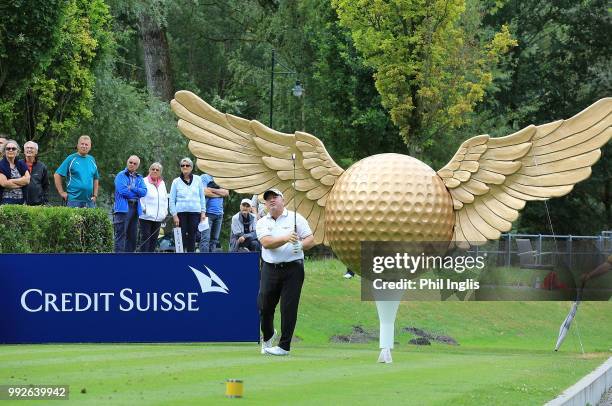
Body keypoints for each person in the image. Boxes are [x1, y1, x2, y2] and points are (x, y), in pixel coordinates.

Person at [257, 188, 315, 356]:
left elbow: (310, 239)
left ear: (283, 200)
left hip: (293, 268)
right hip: (270, 267)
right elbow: (267, 243)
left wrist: (300, 245)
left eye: (275, 197)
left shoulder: (297, 218)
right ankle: (268, 336)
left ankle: (284, 346)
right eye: (268, 199)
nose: (272, 201)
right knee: (264, 306)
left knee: (289, 307)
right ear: (266, 204)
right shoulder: (262, 222)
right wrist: (286, 238)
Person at [169, 158, 206, 253]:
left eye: (187, 165)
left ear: (191, 167)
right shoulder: (176, 181)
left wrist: (203, 212)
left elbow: (202, 197)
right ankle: (180, 257)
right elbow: (172, 200)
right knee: (180, 236)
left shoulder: (198, 179)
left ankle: (190, 256)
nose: (185, 167)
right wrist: (174, 215)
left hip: (195, 213)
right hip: (180, 213)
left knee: (192, 236)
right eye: (182, 165)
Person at [113, 155, 147, 252]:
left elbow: (144, 192)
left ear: (137, 166)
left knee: (132, 236)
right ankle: (119, 260)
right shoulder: (121, 175)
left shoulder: (139, 177)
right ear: (127, 162)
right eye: (130, 162)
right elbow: (123, 191)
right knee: (121, 235)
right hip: (123, 208)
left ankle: (130, 260)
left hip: (136, 208)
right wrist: (137, 193)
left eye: (134, 163)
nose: (132, 164)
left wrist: (132, 188)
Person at [54, 135, 99, 208]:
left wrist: (95, 196)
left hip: (89, 202)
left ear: (90, 147)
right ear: (78, 145)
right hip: (73, 201)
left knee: (90, 220)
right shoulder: (71, 158)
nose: (84, 146)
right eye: (82, 144)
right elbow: (57, 175)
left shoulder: (92, 160)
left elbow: (96, 178)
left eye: (86, 144)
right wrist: (61, 192)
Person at [139, 162, 169, 252]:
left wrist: (165, 212)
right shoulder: (143, 181)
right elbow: (139, 197)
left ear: (160, 172)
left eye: (157, 170)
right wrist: (144, 209)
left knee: (154, 240)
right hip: (146, 217)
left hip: (158, 217)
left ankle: (151, 260)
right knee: (145, 239)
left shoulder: (162, 183)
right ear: (149, 170)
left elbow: (165, 198)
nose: (155, 171)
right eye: (153, 169)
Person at [199, 173, 228, 252]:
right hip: (206, 213)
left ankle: (211, 261)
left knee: (214, 240)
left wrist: (211, 189)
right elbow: (204, 192)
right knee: (205, 239)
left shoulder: (221, 177)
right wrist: (219, 193)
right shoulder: (204, 177)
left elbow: (226, 193)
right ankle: (203, 261)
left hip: (219, 214)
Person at [0, 140, 30, 205]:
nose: (11, 150)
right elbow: (4, 183)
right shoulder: (0, 165)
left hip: (22, 201)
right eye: (8, 148)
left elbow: (27, 180)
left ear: (17, 151)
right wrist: (22, 182)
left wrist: (11, 180)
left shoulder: (22, 164)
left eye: (13, 149)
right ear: (4, 151)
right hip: (6, 201)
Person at [21, 141, 49, 206]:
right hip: (20, 202)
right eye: (27, 148)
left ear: (36, 152)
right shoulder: (18, 164)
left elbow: (46, 186)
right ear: (24, 151)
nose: (29, 150)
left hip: (37, 203)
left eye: (31, 148)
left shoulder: (42, 166)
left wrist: (45, 201)